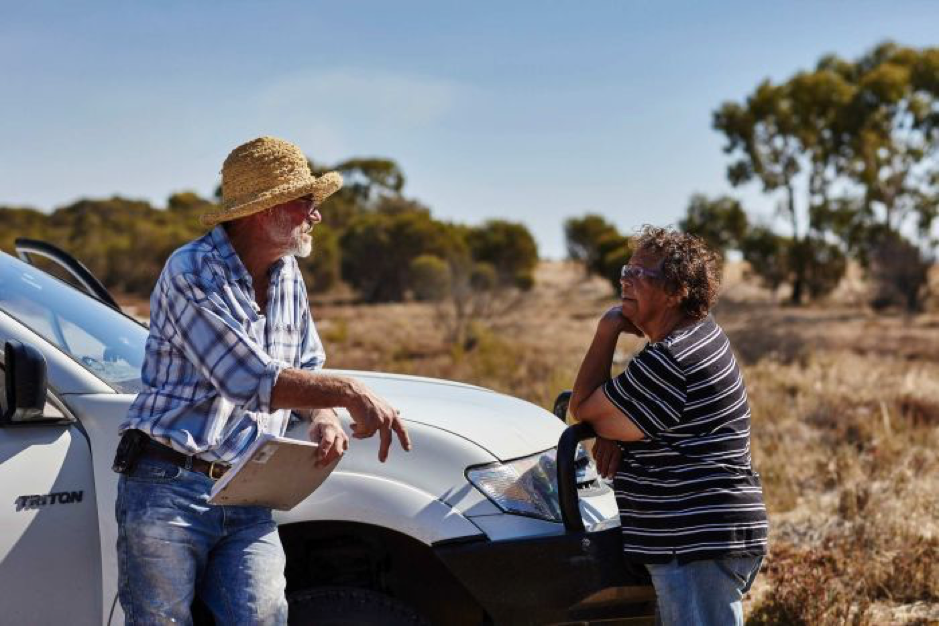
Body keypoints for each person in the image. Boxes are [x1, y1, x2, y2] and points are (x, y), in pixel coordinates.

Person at [115, 136, 411, 625]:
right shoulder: (191, 270)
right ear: (263, 210)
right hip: (167, 485)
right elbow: (246, 377)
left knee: (264, 616)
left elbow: (305, 364)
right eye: (306, 202)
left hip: (249, 491)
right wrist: (350, 392)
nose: (315, 215)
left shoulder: (289, 273)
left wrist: (322, 416)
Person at [569, 226, 767, 626]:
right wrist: (615, 433)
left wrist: (607, 329)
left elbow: (582, 407)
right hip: (701, 539)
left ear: (676, 291)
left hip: (694, 542)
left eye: (641, 273)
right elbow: (636, 417)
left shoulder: (670, 358)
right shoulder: (697, 334)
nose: (625, 277)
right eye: (627, 268)